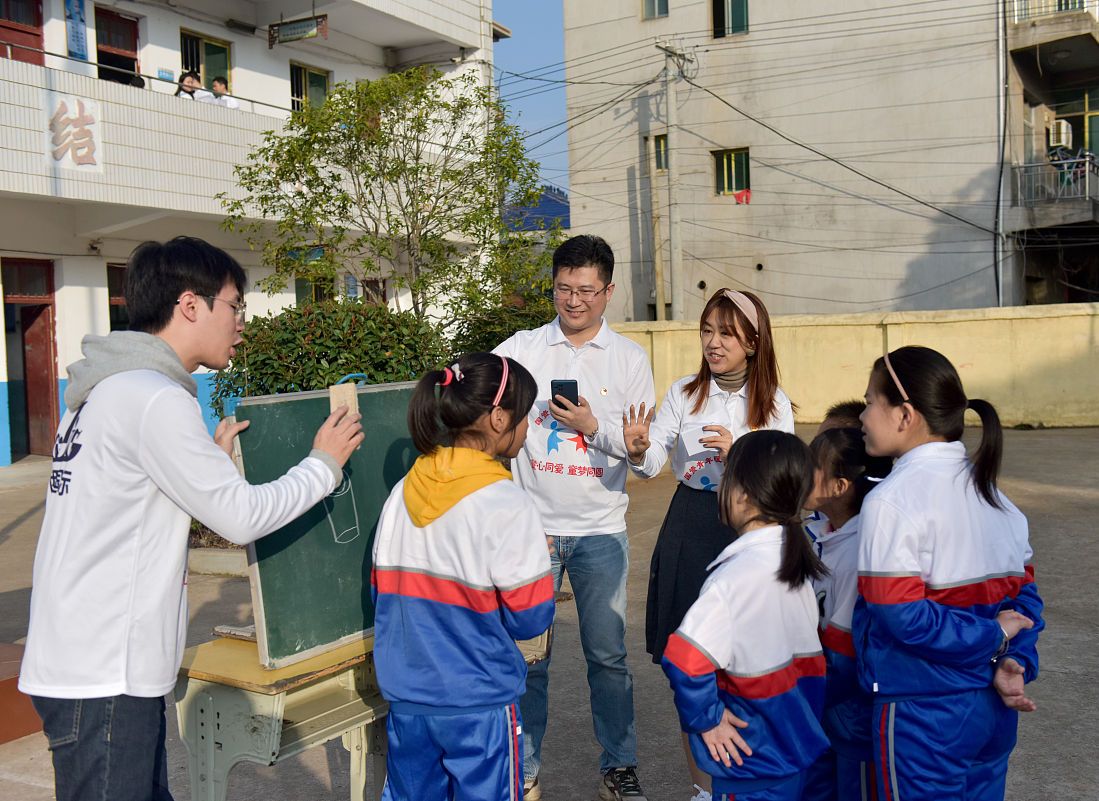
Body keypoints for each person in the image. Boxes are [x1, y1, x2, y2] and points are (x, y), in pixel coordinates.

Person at [19, 236, 364, 801]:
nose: (241, 323)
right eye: (234, 306)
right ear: (189, 305)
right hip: (104, 671)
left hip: (91, 662)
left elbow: (133, 501)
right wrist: (323, 466)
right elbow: (242, 519)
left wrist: (207, 461)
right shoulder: (154, 398)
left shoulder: (104, 391)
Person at [493, 234, 655, 801]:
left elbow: (648, 459)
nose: (573, 300)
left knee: (608, 656)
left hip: (601, 533)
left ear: (608, 291)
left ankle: (620, 763)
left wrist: (610, 435)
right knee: (527, 658)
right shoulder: (522, 348)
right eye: (564, 288)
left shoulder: (630, 359)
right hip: (531, 531)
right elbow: (486, 412)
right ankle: (522, 765)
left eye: (586, 290)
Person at [622, 288, 793, 799]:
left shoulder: (773, 402)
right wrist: (637, 447)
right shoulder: (684, 393)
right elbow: (653, 464)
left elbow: (783, 478)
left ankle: (748, 781)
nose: (713, 343)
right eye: (707, 330)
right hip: (692, 523)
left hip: (751, 528)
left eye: (727, 333)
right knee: (690, 657)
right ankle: (702, 789)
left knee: (744, 661)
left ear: (754, 343)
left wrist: (740, 452)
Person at [855, 346, 1044, 801]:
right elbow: (1026, 604)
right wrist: (1014, 660)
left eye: (868, 402)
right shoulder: (1001, 502)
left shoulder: (890, 501)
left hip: (924, 713)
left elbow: (900, 615)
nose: (861, 416)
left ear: (904, 415)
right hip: (993, 706)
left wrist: (992, 640)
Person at [371, 353, 555, 801]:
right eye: (524, 416)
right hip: (480, 702)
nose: (529, 428)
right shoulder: (508, 504)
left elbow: (382, 591)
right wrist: (539, 569)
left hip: (408, 699)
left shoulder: (401, 493)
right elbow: (531, 620)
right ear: (497, 419)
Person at [662, 430, 829, 801]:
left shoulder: (733, 577)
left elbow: (684, 659)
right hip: (792, 753)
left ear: (745, 495)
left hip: (751, 761)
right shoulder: (795, 556)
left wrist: (707, 721)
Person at [802, 428, 891, 801]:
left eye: (812, 468)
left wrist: (795, 701)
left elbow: (843, 655)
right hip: (823, 711)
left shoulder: (858, 552)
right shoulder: (820, 533)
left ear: (840, 487)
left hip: (848, 718)